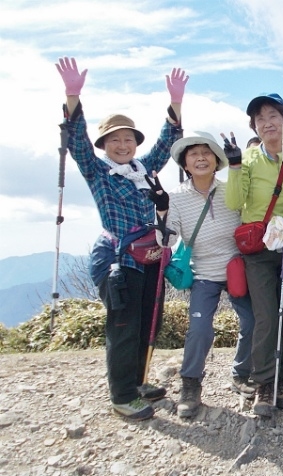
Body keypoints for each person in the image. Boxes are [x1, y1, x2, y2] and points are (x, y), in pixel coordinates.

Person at [55, 57, 188, 420]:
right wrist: (72, 97)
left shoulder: (142, 171)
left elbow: (166, 144)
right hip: (117, 257)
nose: (123, 144)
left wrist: (175, 104)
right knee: (124, 324)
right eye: (114, 140)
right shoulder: (99, 172)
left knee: (148, 320)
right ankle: (122, 395)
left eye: (128, 138)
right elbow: (78, 145)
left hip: (147, 255)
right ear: (104, 145)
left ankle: (138, 380)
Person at [145, 132, 255, 418]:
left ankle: (241, 374)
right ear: (185, 163)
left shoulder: (231, 190)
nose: (201, 158)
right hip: (203, 273)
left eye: (207, 152)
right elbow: (166, 242)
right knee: (200, 329)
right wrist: (162, 210)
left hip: (236, 269)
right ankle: (190, 384)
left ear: (217, 159)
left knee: (253, 322)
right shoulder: (177, 197)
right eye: (193, 154)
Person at [224, 93, 283, 416]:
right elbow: (234, 202)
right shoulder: (248, 159)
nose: (267, 123)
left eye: (272, 115)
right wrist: (233, 166)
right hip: (258, 249)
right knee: (266, 315)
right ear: (254, 126)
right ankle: (263, 383)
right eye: (260, 119)